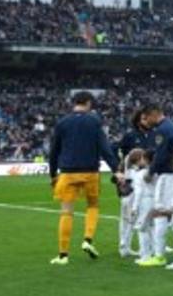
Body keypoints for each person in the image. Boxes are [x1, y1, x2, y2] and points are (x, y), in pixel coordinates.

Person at [47, 91, 122, 265]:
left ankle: (63, 255)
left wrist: (53, 175)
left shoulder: (62, 123)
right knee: (93, 206)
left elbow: (54, 151)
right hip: (90, 172)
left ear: (74, 103)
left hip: (67, 173)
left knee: (66, 212)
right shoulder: (94, 121)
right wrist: (115, 170)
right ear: (88, 103)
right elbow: (104, 148)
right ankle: (87, 240)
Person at [139, 103, 173, 267]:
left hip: (167, 175)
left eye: (146, 117)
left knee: (161, 213)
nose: (146, 121)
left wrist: (150, 172)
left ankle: (159, 255)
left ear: (154, 114)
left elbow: (161, 155)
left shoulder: (162, 130)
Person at [116, 108, 149, 259]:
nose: (146, 121)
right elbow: (115, 150)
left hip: (143, 179)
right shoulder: (130, 136)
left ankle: (150, 244)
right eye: (143, 119)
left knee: (143, 213)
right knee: (129, 216)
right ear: (137, 120)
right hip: (130, 181)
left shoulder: (151, 135)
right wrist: (119, 171)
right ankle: (124, 246)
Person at [125, 148, 154, 260]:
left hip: (145, 201)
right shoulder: (151, 172)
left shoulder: (140, 174)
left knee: (142, 228)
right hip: (154, 200)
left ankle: (144, 255)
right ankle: (155, 252)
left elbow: (139, 192)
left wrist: (134, 207)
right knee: (152, 227)